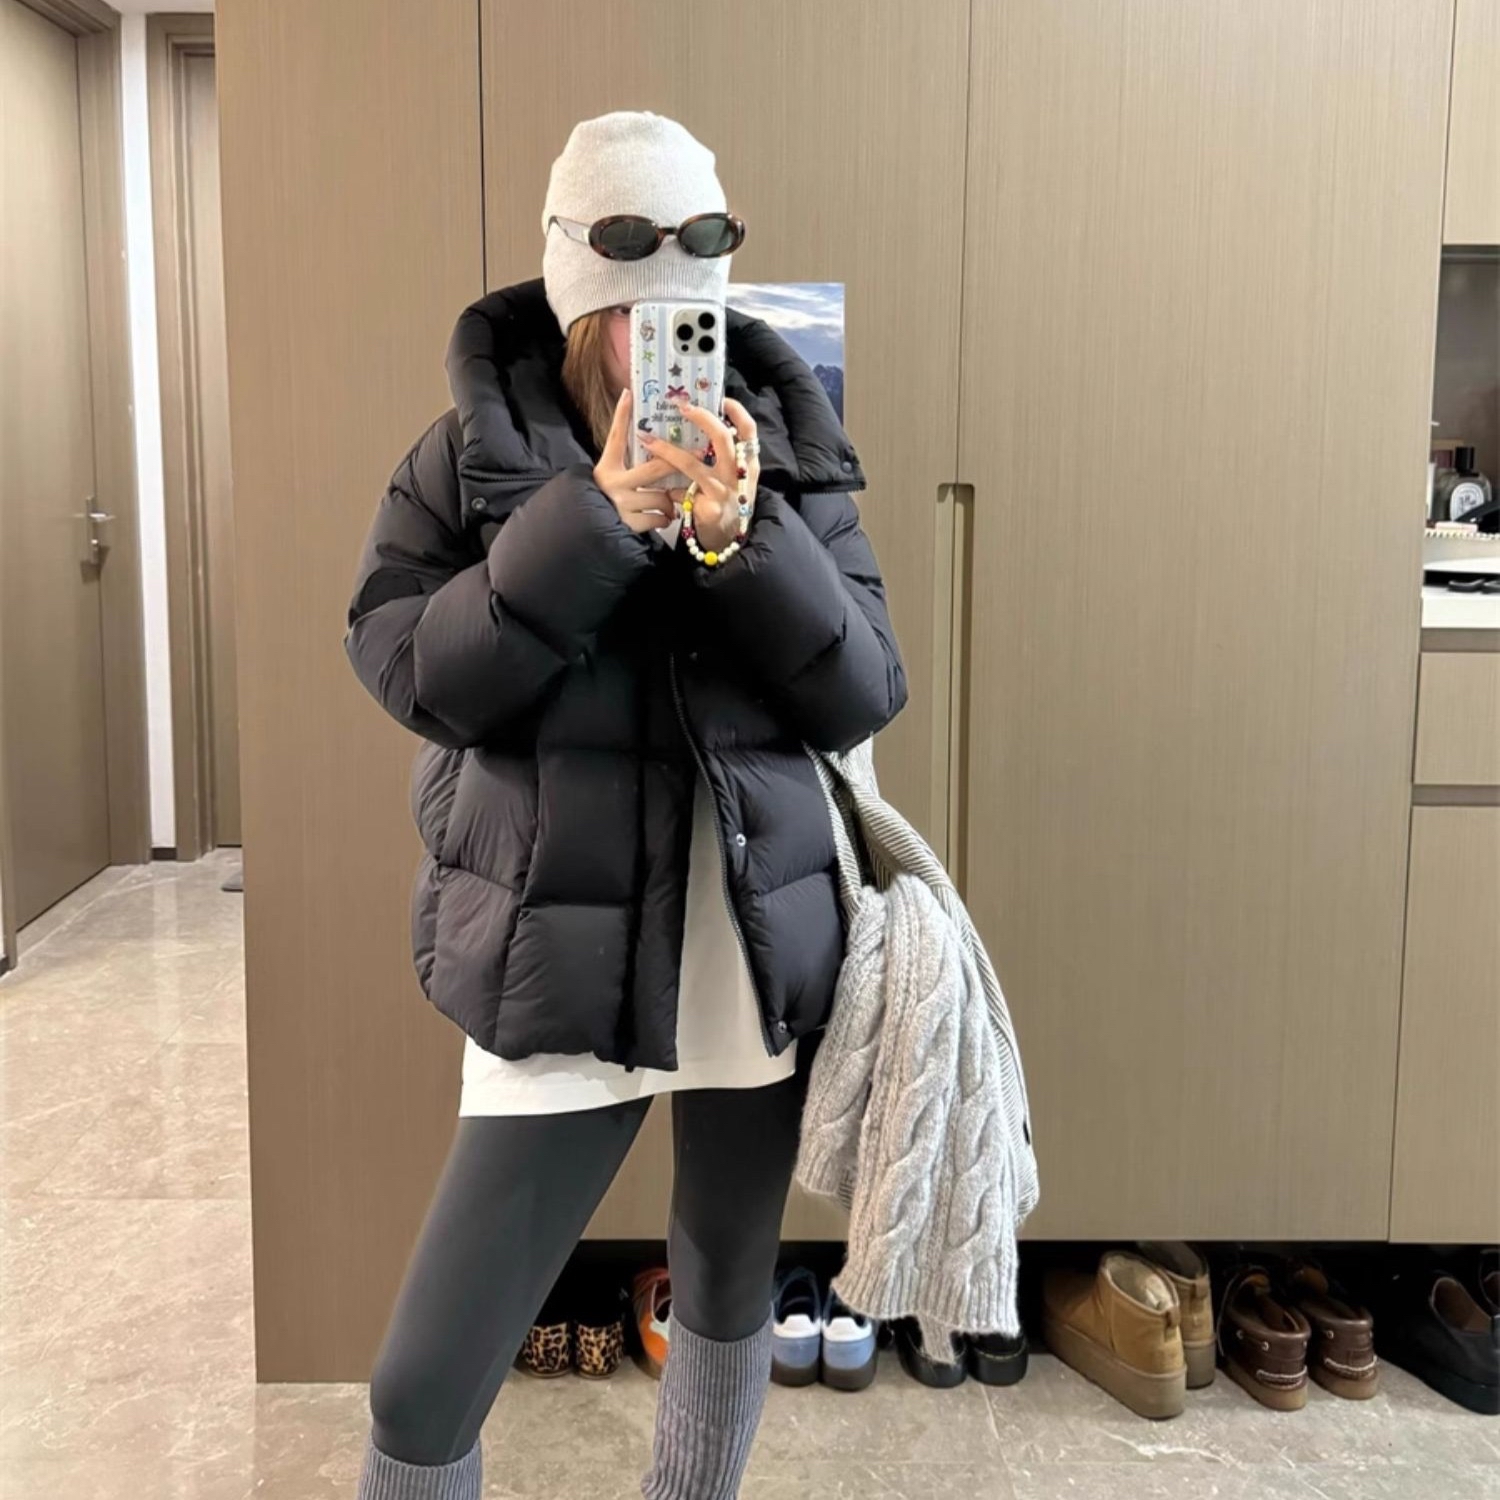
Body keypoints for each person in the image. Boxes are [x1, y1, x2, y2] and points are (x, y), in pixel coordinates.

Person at [342, 110, 907, 1500]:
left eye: (698, 267)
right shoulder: (470, 455)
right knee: (423, 1385)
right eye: (630, 285)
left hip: (748, 945)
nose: (664, 316)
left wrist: (741, 544)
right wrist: (591, 524)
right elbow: (414, 672)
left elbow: (865, 688)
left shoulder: (788, 444)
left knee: (725, 1291)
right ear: (571, 286)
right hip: (564, 946)